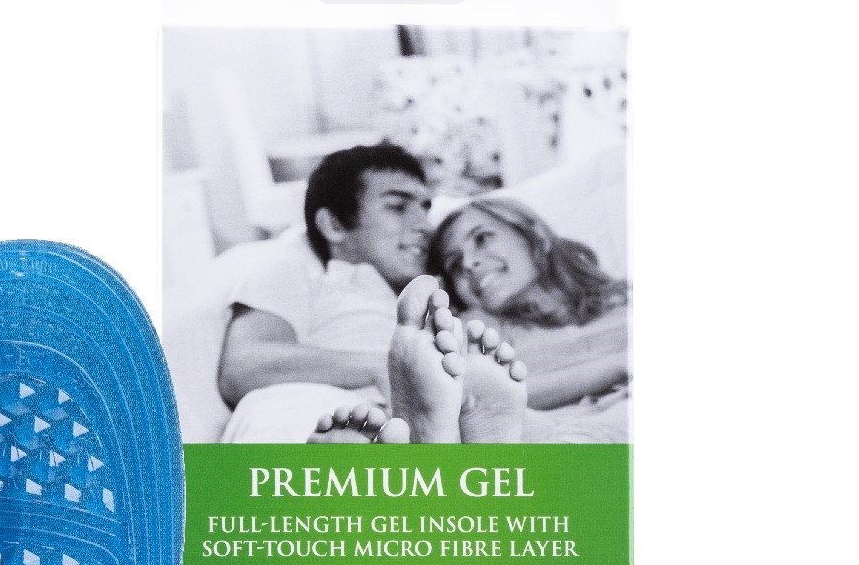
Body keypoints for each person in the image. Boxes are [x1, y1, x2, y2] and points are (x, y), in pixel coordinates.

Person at [217, 142, 432, 442]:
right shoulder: (292, 267)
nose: (424, 225)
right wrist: (382, 367)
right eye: (397, 207)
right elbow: (243, 366)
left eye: (425, 208)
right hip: (311, 414)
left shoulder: (425, 291)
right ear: (333, 225)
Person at [429, 198, 629, 421]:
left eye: (482, 238)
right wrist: (619, 366)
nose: (467, 263)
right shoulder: (478, 329)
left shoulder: (624, 299)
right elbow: (484, 397)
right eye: (455, 264)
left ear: (535, 234)